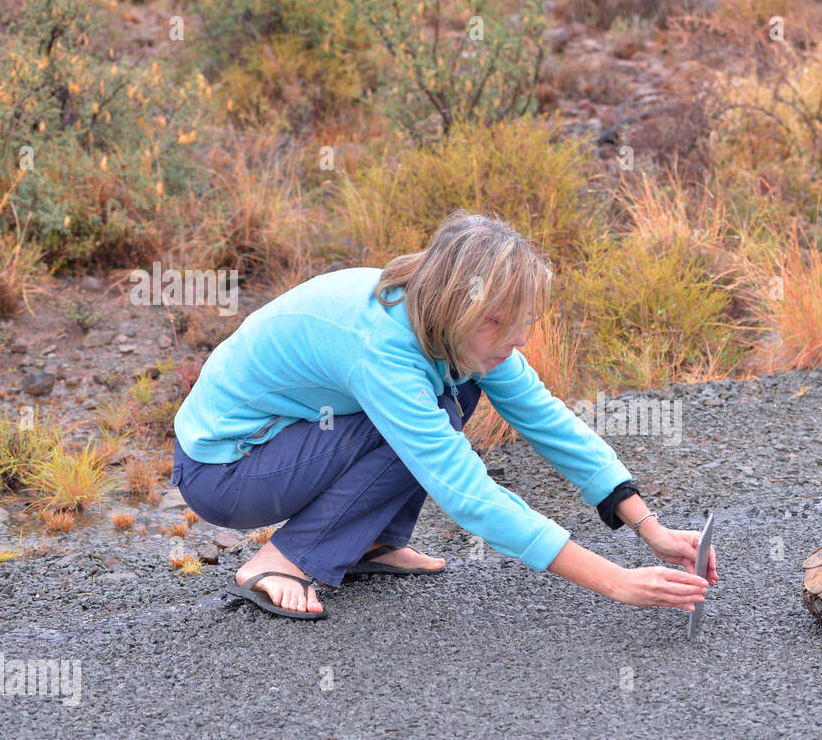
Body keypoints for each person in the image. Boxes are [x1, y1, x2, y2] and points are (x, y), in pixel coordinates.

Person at [169, 209, 717, 620]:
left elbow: (546, 419)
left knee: (452, 399)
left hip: (293, 443)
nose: (519, 339)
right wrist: (618, 582)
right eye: (502, 322)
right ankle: (283, 559)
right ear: (460, 306)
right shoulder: (381, 347)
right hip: (226, 471)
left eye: (521, 320)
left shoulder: (447, 322)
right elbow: (467, 496)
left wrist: (650, 527)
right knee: (429, 423)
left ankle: (369, 540)